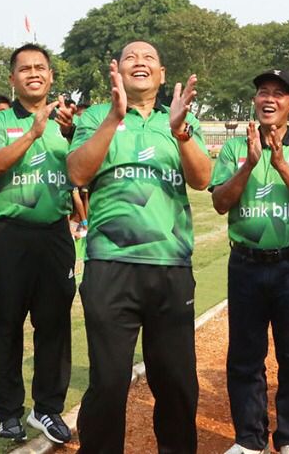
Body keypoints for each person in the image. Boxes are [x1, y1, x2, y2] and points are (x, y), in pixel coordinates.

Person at [66, 41, 211, 454]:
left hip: (170, 266)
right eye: (131, 57)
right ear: (117, 70)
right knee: (109, 382)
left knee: (176, 381)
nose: (140, 62)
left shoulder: (181, 119)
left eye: (149, 58)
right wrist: (114, 117)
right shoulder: (95, 116)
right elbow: (77, 173)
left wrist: (181, 132)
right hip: (110, 265)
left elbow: (202, 178)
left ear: (162, 74)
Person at [210, 69, 289, 454]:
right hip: (245, 263)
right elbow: (220, 202)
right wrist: (248, 164)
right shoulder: (234, 148)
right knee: (245, 355)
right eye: (263, 92)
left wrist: (280, 164)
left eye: (278, 93)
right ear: (255, 100)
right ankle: (249, 438)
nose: (269, 99)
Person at [0, 44, 77, 444]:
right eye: (25, 69)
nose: (33, 73)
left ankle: (47, 408)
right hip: (10, 234)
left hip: (55, 234)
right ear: (12, 79)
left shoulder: (68, 123)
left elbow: (85, 172)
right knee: (6, 324)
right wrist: (34, 132)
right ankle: (7, 411)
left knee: (54, 324)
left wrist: (69, 132)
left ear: (51, 76)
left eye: (40, 67)